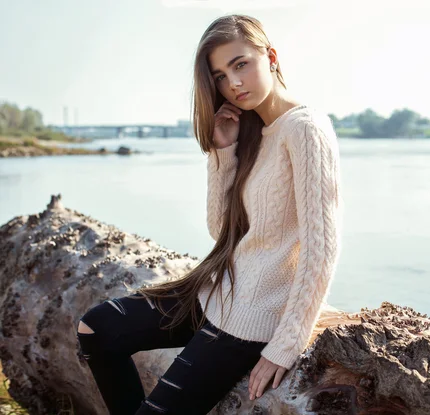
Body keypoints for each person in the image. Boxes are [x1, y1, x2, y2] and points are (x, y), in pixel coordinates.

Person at [76, 13, 343, 415]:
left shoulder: (305, 129)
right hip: (218, 294)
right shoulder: (254, 131)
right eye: (219, 75)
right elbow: (221, 229)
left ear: (270, 56)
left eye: (241, 65)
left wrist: (285, 346)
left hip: (254, 318)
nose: (233, 83)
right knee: (95, 329)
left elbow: (322, 249)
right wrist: (223, 153)